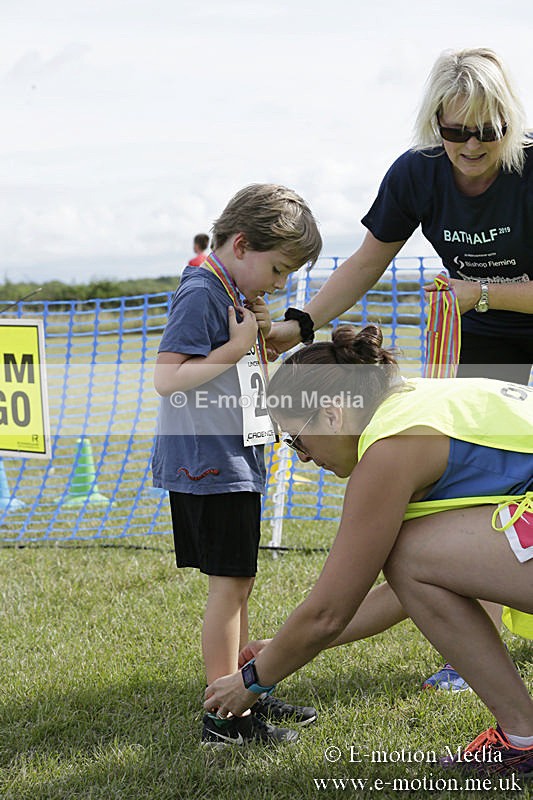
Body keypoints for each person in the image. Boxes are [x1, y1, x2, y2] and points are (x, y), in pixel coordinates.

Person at [266, 46, 533, 690]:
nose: (472, 144)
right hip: (479, 348)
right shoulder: (416, 175)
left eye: (489, 130)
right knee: (470, 500)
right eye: (455, 130)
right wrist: (300, 325)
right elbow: (366, 261)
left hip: (496, 313)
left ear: (510, 122)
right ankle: (478, 645)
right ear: (434, 123)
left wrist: (484, 293)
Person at [204, 324, 533, 775]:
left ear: (334, 414)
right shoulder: (413, 404)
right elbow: (411, 586)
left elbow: (329, 612)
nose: (301, 457)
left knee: (409, 552)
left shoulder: (390, 448)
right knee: (412, 555)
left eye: (296, 439)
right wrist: (282, 648)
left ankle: (524, 738)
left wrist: (252, 682)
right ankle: (523, 737)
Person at [152, 183, 322, 747]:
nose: (279, 283)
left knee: (239, 583)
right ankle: (227, 720)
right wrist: (234, 347)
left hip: (234, 458)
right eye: (277, 270)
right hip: (210, 463)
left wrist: (257, 337)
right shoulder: (201, 289)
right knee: (230, 586)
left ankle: (247, 691)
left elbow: (234, 367)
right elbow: (169, 377)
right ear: (243, 244)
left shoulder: (229, 289)